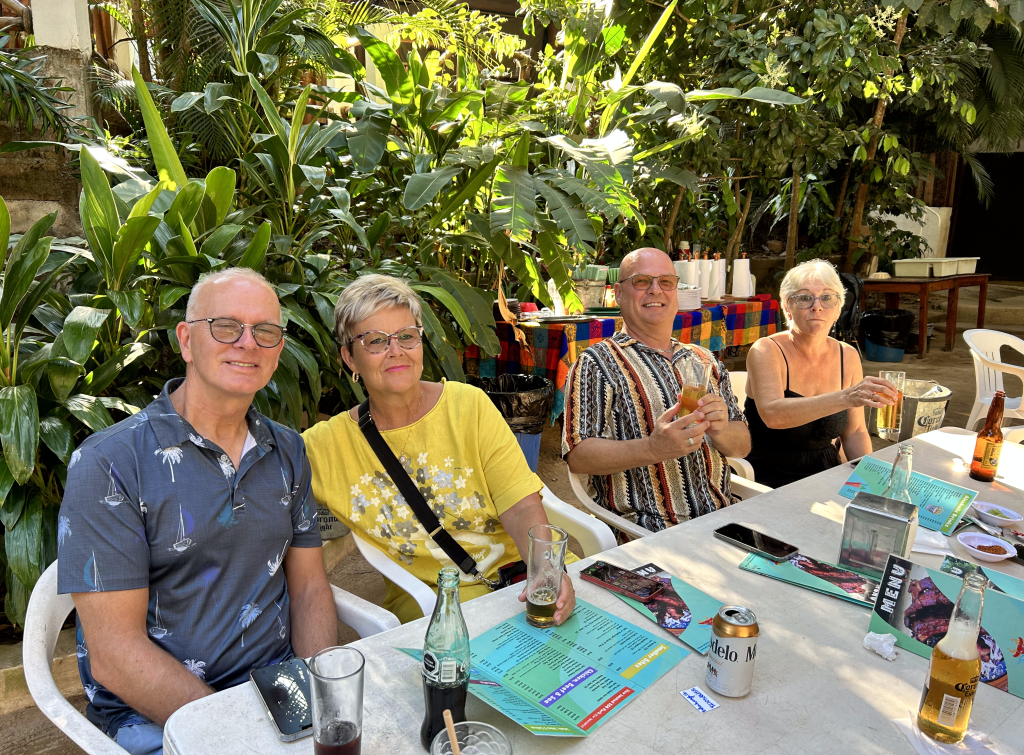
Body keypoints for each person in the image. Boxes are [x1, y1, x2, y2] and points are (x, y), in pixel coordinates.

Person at [57, 268, 337, 755]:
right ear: (186, 340)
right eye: (226, 326)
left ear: (277, 351)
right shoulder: (110, 462)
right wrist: (237, 735)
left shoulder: (287, 449)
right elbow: (115, 655)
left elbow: (309, 586)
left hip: (278, 691)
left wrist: (323, 699)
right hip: (157, 714)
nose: (247, 342)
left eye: (265, 331)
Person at [303, 274, 576, 625]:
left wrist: (546, 572)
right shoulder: (325, 446)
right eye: (375, 341)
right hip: (432, 606)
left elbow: (521, 505)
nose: (396, 350)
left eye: (406, 336)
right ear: (350, 359)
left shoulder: (469, 406)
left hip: (518, 583)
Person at [563, 247, 751, 533]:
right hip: (648, 531)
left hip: (722, 522)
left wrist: (721, 428)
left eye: (666, 281)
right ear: (618, 293)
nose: (655, 290)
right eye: (641, 281)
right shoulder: (596, 363)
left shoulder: (704, 359)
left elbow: (742, 446)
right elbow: (578, 457)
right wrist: (652, 448)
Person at [743, 259, 897, 488]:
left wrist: (872, 482)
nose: (817, 306)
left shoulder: (847, 355)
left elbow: (855, 432)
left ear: (838, 308)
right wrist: (846, 397)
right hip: (769, 478)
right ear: (787, 306)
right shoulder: (766, 350)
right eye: (805, 297)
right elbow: (773, 415)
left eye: (827, 297)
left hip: (826, 472)